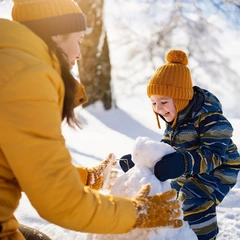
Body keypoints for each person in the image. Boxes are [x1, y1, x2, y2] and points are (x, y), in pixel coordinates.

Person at [0, 1, 184, 239]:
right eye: (78, 40)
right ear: (56, 33)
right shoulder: (27, 77)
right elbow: (59, 200)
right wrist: (137, 214)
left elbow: (25, 159)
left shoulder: (11, 63)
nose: (78, 54)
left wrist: (85, 179)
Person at [120, 49, 240, 240]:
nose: (158, 109)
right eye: (153, 103)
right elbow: (166, 149)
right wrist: (144, 163)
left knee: (193, 199)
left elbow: (214, 154)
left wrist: (181, 163)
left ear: (181, 98)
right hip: (192, 166)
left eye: (163, 102)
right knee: (171, 196)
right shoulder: (175, 120)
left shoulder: (210, 117)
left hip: (221, 167)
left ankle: (205, 237)